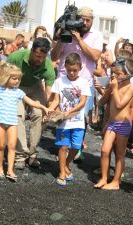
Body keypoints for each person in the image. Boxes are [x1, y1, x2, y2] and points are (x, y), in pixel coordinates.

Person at [0, 62, 50, 181]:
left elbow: (32, 102)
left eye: (18, 79)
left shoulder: (18, 92)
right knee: (1, 145)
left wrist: (43, 107)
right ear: (6, 78)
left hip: (12, 121)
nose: (17, 81)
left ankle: (10, 170)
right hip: (0, 120)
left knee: (12, 146)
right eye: (14, 79)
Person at [51, 6, 102, 158]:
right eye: (83, 19)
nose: (85, 22)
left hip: (85, 82)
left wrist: (79, 40)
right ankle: (63, 145)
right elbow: (53, 57)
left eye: (88, 20)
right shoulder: (67, 31)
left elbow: (94, 56)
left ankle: (76, 145)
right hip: (63, 80)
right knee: (63, 112)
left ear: (92, 21)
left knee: (82, 115)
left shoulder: (97, 35)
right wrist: (62, 38)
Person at [7, 37, 55, 169]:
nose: (40, 60)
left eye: (43, 57)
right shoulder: (15, 57)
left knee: (39, 115)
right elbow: (4, 75)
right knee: (18, 116)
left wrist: (48, 109)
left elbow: (49, 91)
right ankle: (20, 155)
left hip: (36, 87)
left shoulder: (48, 65)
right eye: (38, 56)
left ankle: (32, 155)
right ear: (32, 50)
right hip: (18, 86)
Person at [48, 53, 91, 186]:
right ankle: (61, 172)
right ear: (65, 67)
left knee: (76, 147)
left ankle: (66, 163)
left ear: (80, 68)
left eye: (74, 70)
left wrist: (69, 112)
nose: (71, 73)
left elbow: (82, 102)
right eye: (69, 70)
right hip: (63, 122)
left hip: (78, 121)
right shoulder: (59, 81)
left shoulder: (84, 82)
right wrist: (49, 110)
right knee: (63, 147)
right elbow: (56, 100)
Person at [94, 58, 133, 190]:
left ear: (127, 74)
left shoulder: (130, 88)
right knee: (105, 150)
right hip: (112, 123)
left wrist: (115, 89)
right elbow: (102, 102)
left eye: (117, 73)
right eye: (112, 73)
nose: (113, 76)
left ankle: (116, 181)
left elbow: (119, 104)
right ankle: (104, 178)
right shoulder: (114, 86)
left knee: (119, 154)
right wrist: (107, 90)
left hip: (123, 124)